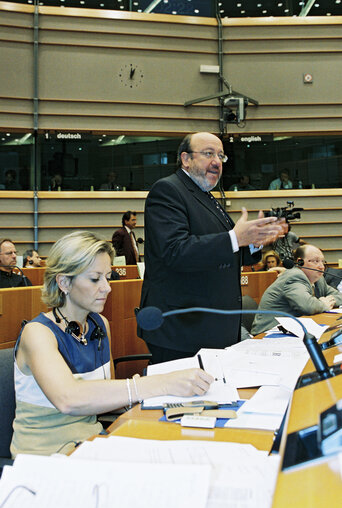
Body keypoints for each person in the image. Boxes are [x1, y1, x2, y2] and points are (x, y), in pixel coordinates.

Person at [10, 231, 213, 457]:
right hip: (44, 459)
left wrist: (166, 395)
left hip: (91, 445)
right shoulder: (36, 333)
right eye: (95, 279)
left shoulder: (100, 324)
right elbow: (68, 399)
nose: (107, 287)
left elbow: (104, 399)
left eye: (108, 276)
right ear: (64, 282)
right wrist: (156, 384)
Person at [139, 132, 286, 363]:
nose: (217, 161)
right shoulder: (168, 191)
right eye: (208, 153)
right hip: (182, 331)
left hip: (211, 328)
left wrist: (256, 241)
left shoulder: (208, 198)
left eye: (221, 156)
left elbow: (229, 253)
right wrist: (235, 238)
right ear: (186, 159)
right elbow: (175, 252)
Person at [251, 244, 342, 335]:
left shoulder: (318, 279)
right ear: (300, 262)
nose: (321, 266)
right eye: (315, 261)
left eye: (322, 262)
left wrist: (330, 301)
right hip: (268, 334)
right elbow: (308, 306)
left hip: (291, 332)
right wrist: (323, 304)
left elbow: (339, 296)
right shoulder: (294, 277)